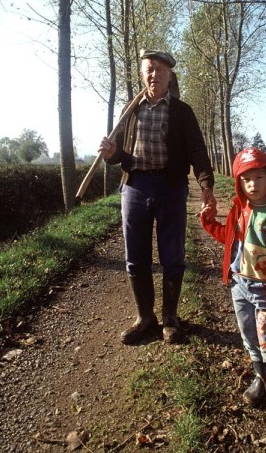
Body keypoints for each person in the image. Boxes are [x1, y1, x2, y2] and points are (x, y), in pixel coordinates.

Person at [99, 48, 217, 345]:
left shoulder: (182, 111)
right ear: (143, 74)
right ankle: (145, 318)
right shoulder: (131, 109)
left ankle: (169, 318)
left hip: (171, 186)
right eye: (149, 69)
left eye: (160, 70)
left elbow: (198, 151)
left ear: (169, 76)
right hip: (135, 186)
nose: (154, 75)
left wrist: (207, 186)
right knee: (135, 256)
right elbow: (121, 155)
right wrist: (112, 155)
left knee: (172, 255)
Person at [200, 147, 266, 423]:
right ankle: (261, 378)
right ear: (238, 183)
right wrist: (208, 221)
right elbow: (229, 239)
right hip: (240, 286)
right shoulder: (239, 210)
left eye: (258, 177)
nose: (252, 185)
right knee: (248, 335)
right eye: (245, 180)